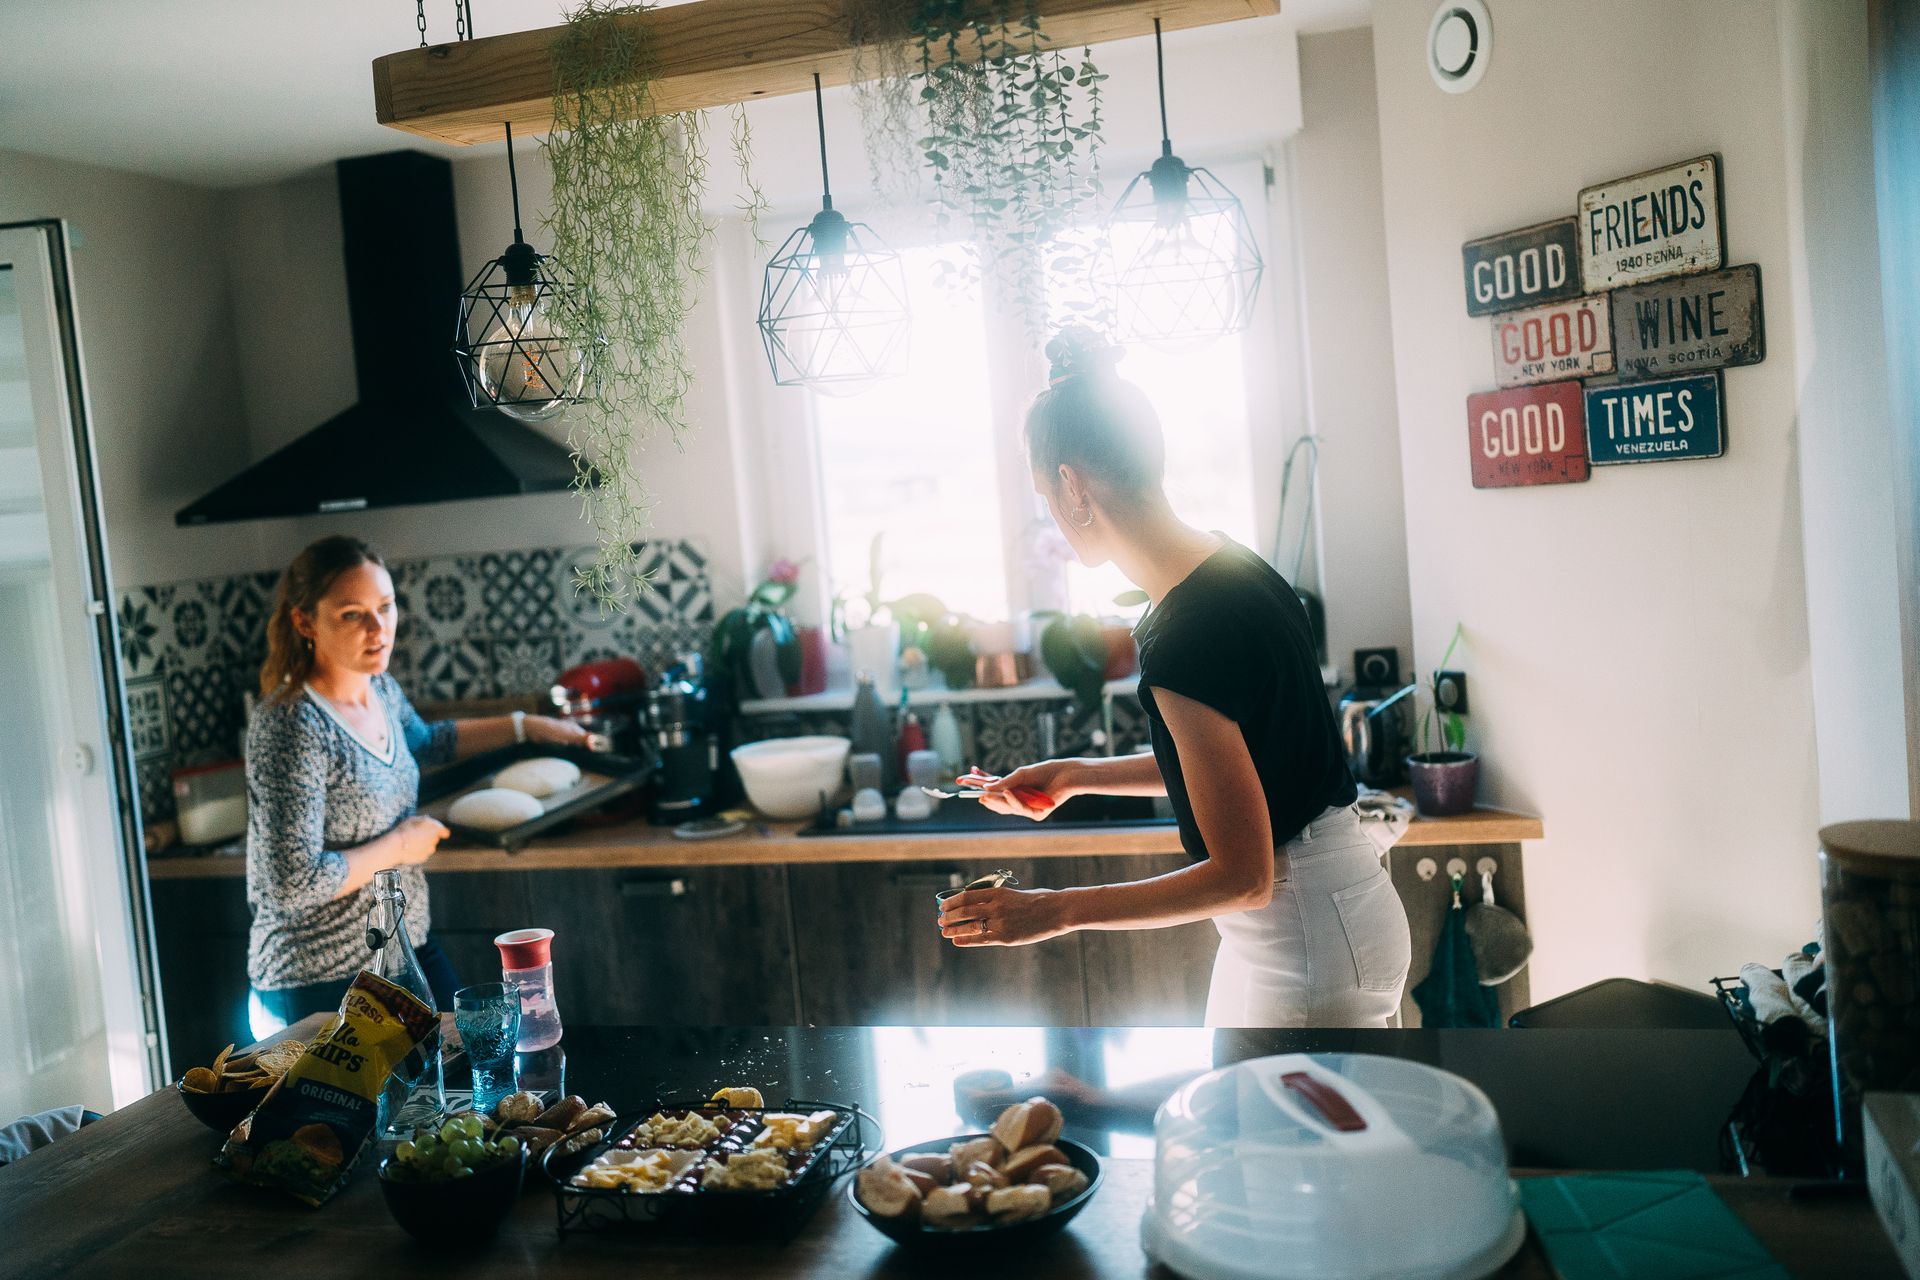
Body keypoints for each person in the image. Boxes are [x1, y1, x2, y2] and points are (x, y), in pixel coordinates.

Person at [937, 330, 1412, 1028]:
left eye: (1045, 495)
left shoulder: (1185, 638)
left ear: (1074, 487)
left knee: (1277, 1138)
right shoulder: (1229, 568)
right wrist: (1075, 776)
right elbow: (1242, 768)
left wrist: (1052, 911)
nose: (1054, 520)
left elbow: (1242, 876)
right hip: (1329, 908)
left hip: (1302, 931)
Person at [245, 535, 590, 1031]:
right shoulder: (291, 724)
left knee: (465, 1079)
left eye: (385, 608)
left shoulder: (379, 689)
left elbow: (428, 742)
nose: (377, 628)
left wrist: (527, 726)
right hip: (317, 980)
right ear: (304, 621)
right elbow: (290, 883)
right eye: (352, 614)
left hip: (404, 949)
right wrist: (400, 846)